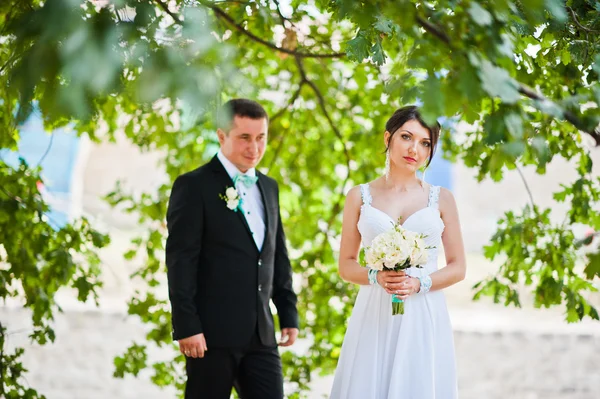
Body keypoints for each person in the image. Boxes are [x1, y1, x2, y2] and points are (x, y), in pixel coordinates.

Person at [165, 98, 299, 399]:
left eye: (261, 137)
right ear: (222, 135)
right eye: (245, 138)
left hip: (262, 335)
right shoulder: (193, 186)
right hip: (210, 335)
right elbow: (180, 261)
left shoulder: (269, 187)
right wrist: (186, 325)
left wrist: (288, 312)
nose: (255, 148)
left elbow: (276, 254)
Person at [330, 105, 466, 398]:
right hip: (374, 309)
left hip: (423, 310)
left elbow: (458, 267)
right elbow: (346, 265)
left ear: (430, 151)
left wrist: (420, 283)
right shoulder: (359, 196)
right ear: (387, 137)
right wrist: (376, 276)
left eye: (424, 143)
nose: (414, 148)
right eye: (406, 137)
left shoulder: (442, 199)